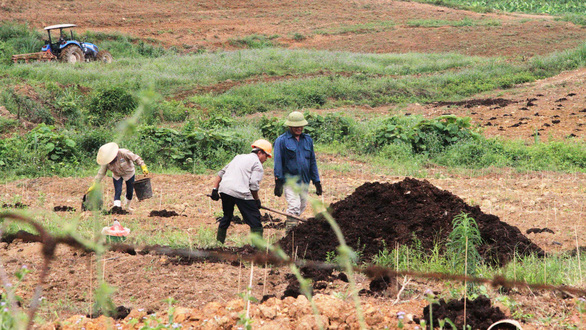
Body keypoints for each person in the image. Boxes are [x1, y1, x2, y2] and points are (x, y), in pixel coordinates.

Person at [210, 139, 272, 244]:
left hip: (225, 190)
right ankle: (257, 248)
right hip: (241, 193)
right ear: (260, 152)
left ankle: (219, 244)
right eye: (266, 156)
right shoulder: (258, 164)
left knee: (227, 216)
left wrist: (215, 190)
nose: (266, 159)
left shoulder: (238, 157)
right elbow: (253, 185)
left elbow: (221, 173)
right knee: (255, 220)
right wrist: (256, 200)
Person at [273, 111, 322, 232]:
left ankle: (294, 231)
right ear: (290, 126)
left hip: (305, 180)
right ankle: (289, 236)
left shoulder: (307, 140)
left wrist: (316, 181)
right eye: (296, 126)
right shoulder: (282, 140)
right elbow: (278, 161)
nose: (299, 128)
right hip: (290, 180)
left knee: (301, 206)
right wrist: (278, 181)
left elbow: (312, 161)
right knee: (294, 206)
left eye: (301, 126)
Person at [87, 142, 148, 211]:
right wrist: (95, 183)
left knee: (130, 191)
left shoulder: (123, 153)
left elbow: (136, 158)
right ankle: (117, 208)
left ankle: (127, 207)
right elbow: (101, 173)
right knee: (118, 191)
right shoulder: (106, 161)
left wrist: (143, 166)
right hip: (117, 175)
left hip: (129, 174)